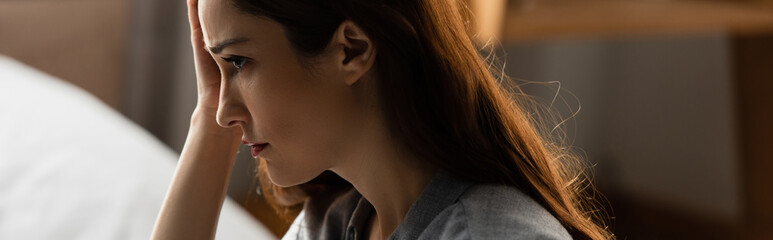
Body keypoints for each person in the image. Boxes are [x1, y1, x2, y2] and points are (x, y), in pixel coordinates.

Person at [152, 0, 612, 239]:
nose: (222, 112)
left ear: (351, 49)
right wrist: (207, 122)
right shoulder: (334, 225)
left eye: (237, 62)